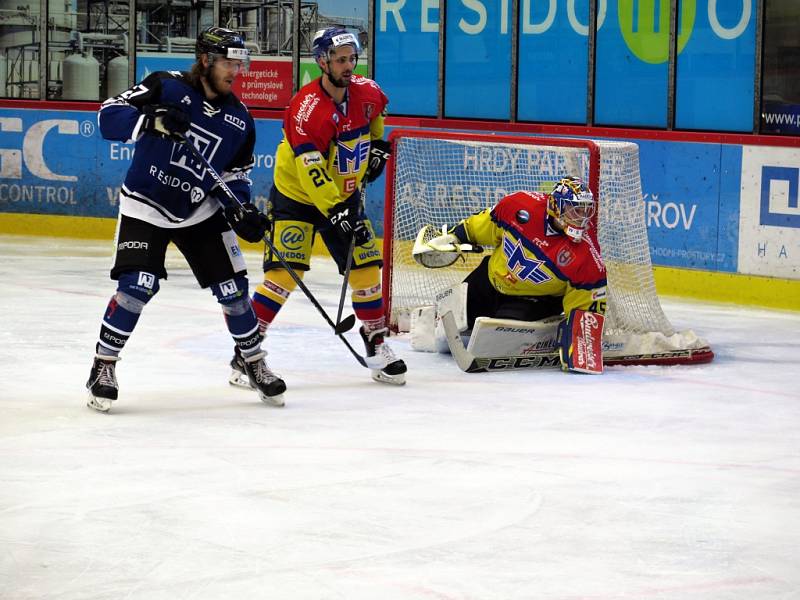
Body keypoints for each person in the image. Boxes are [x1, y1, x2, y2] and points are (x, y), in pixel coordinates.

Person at [86, 26, 285, 412]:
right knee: (137, 287)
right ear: (206, 60)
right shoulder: (165, 85)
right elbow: (108, 116)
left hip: (198, 211)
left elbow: (235, 176)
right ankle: (103, 365)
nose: (235, 71)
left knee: (233, 291)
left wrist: (240, 208)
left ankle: (252, 362)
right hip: (146, 203)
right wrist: (150, 120)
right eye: (228, 62)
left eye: (239, 63)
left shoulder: (241, 120)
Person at [228, 26, 407, 388]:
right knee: (281, 277)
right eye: (340, 59)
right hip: (299, 199)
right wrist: (337, 210)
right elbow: (309, 169)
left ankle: (375, 341)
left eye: (352, 58)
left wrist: (376, 144)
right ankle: (245, 354)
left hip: (343, 197)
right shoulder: (306, 108)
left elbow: (376, 115)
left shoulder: (366, 91)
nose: (348, 66)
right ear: (322, 62)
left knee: (367, 270)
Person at [415, 176, 608, 372]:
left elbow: (585, 306)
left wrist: (580, 338)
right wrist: (454, 236)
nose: (581, 217)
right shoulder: (519, 205)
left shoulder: (587, 257)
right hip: (489, 281)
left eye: (585, 210)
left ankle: (547, 329)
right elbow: (481, 225)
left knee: (496, 342)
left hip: (534, 299)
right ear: (556, 206)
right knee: (439, 334)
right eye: (574, 209)